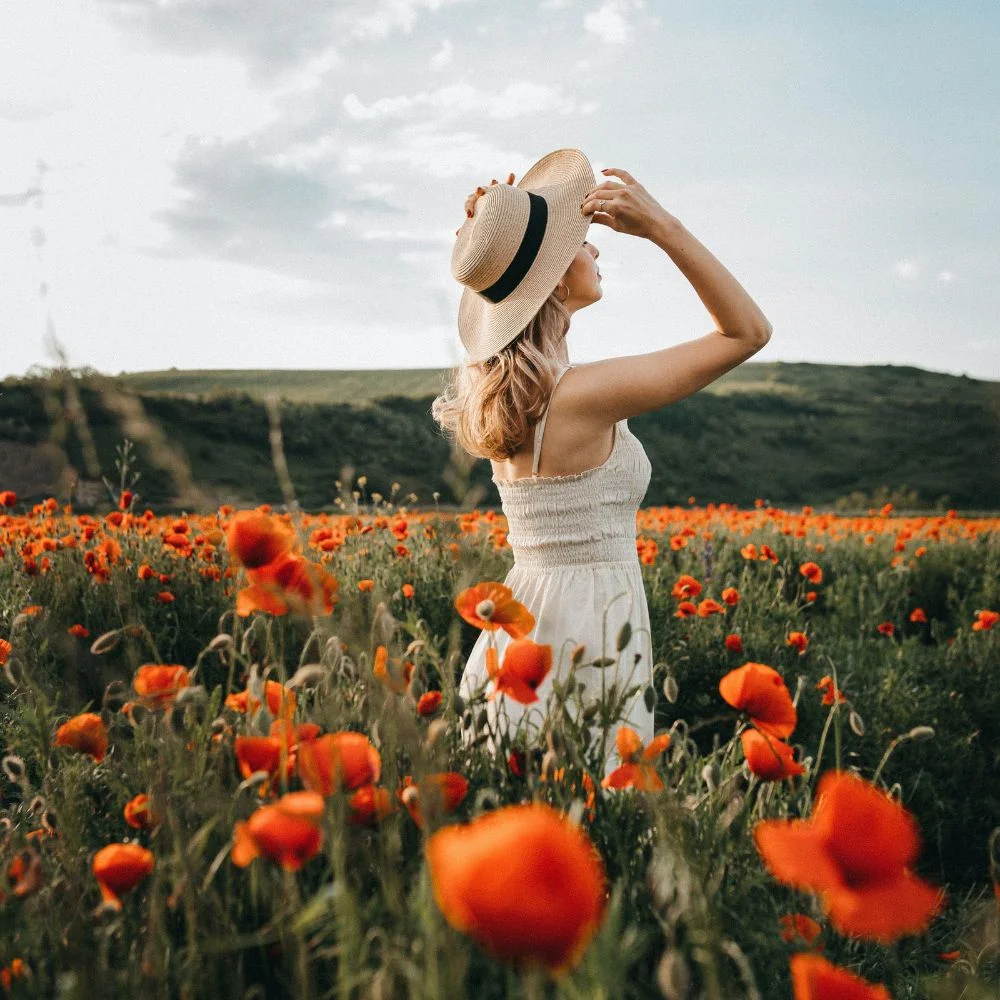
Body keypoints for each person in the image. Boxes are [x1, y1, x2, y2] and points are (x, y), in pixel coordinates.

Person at [431, 148, 771, 779]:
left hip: (529, 626)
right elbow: (746, 332)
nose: (597, 251)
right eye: (582, 244)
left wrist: (504, 233)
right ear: (556, 277)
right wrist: (663, 228)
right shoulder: (574, 397)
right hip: (584, 635)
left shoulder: (509, 396)